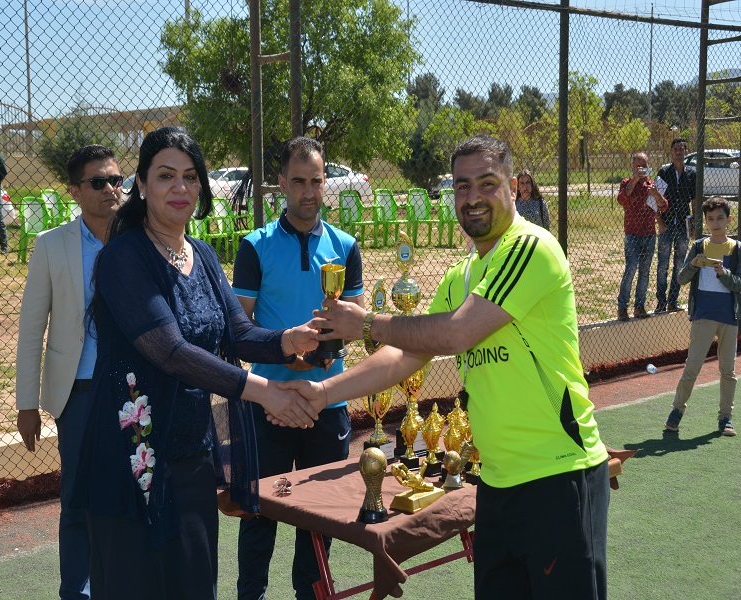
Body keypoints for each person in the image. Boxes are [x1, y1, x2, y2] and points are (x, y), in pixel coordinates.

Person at [281, 134, 610, 599]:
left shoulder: (531, 247)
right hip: (495, 483)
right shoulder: (461, 275)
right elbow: (405, 354)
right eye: (462, 186)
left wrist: (368, 323)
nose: (473, 197)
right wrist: (323, 393)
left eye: (487, 183)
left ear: (513, 187)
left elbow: (457, 333)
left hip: (558, 477)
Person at [70, 127, 321, 600]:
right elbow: (171, 351)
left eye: (190, 176)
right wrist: (264, 391)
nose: (180, 187)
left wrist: (291, 340)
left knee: (195, 584)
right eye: (166, 176)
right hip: (132, 458)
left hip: (191, 456)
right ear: (141, 184)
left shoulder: (201, 255)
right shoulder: (123, 257)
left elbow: (240, 333)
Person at [233, 137, 365, 600]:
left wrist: (324, 354)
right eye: (299, 181)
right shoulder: (255, 246)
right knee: (258, 516)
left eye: (316, 181)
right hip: (269, 404)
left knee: (320, 518)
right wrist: (287, 358)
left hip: (327, 403)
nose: (309, 192)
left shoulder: (346, 246)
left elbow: (354, 322)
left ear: (325, 182)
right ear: (282, 184)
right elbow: (240, 327)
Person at [16, 144, 123, 599]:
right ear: (75, 191)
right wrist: (26, 404)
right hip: (77, 394)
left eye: (116, 180)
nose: (110, 189)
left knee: (133, 493)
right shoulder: (50, 245)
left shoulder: (142, 238)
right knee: (78, 501)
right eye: (98, 182)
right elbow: (31, 328)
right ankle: (77, 592)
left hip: (135, 390)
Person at [664, 197, 741, 437]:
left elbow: (739, 284)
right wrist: (694, 265)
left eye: (720, 218)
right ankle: (677, 411)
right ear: (705, 222)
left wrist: (723, 273)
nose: (715, 223)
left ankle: (725, 418)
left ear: (729, 220)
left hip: (729, 318)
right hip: (703, 316)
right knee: (692, 367)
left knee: (728, 371)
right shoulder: (699, 246)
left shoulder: (737, 249)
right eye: (710, 219)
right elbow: (681, 278)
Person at [616, 152, 668, 321]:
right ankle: (622, 307)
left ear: (648, 166)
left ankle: (639, 306)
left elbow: (664, 206)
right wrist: (635, 180)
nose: (641, 169)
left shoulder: (652, 186)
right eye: (638, 166)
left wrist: (656, 194)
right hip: (632, 234)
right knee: (631, 269)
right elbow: (622, 199)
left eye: (644, 166)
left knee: (644, 272)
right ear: (633, 167)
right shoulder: (626, 183)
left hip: (649, 234)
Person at [655, 137, 696, 313]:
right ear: (671, 152)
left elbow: (694, 201)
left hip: (683, 225)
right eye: (676, 149)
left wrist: (694, 224)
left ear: (686, 151)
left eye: (682, 149)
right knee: (662, 265)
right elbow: (654, 197)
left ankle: (673, 300)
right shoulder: (664, 172)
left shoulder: (692, 174)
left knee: (679, 264)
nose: (679, 152)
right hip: (666, 223)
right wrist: (659, 221)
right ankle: (660, 302)